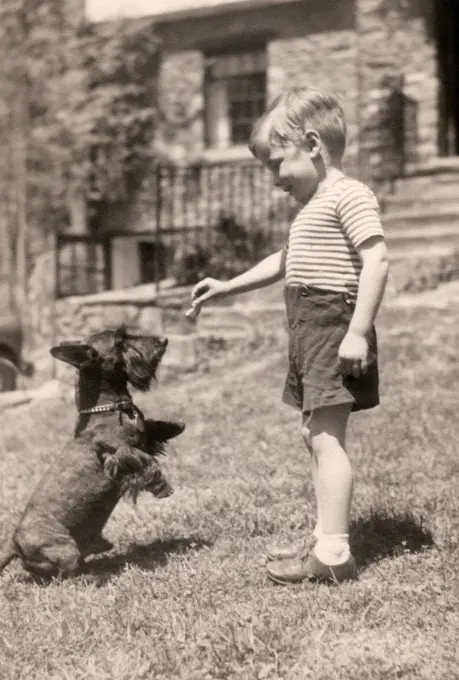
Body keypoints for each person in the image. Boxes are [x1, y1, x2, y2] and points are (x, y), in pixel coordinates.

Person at [188, 87, 389, 584]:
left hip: (331, 324)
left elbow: (377, 259)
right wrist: (229, 284)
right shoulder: (312, 207)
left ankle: (335, 555)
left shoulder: (349, 194)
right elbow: (285, 261)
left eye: (277, 164)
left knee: (325, 438)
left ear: (314, 144)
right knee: (314, 434)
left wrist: (357, 332)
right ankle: (327, 537)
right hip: (308, 326)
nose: (274, 180)